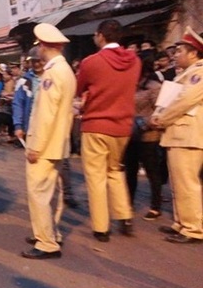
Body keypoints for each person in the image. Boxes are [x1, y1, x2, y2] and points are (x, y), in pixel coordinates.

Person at [77, 19, 141, 242]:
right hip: (123, 127)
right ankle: (124, 216)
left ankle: (101, 227)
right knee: (115, 170)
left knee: (96, 176)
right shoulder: (135, 62)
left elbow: (79, 88)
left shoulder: (91, 62)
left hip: (96, 124)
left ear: (101, 36)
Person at [21, 24, 77, 260]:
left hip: (45, 144)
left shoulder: (53, 73)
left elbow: (45, 114)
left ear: (44, 46)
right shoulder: (64, 70)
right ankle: (47, 234)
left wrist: (36, 146)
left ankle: (46, 242)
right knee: (48, 193)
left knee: (39, 194)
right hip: (57, 143)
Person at [149, 26, 203, 244]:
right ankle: (181, 223)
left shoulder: (198, 74)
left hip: (188, 135)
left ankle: (193, 228)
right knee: (178, 183)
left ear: (193, 53)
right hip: (179, 134)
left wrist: (161, 119)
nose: (175, 55)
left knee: (187, 183)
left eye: (180, 51)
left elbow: (184, 101)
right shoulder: (187, 74)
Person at [123, 56, 164, 220]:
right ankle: (128, 202)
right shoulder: (130, 85)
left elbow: (161, 110)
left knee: (152, 171)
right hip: (130, 134)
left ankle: (155, 205)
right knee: (130, 170)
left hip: (148, 134)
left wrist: (145, 123)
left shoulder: (154, 87)